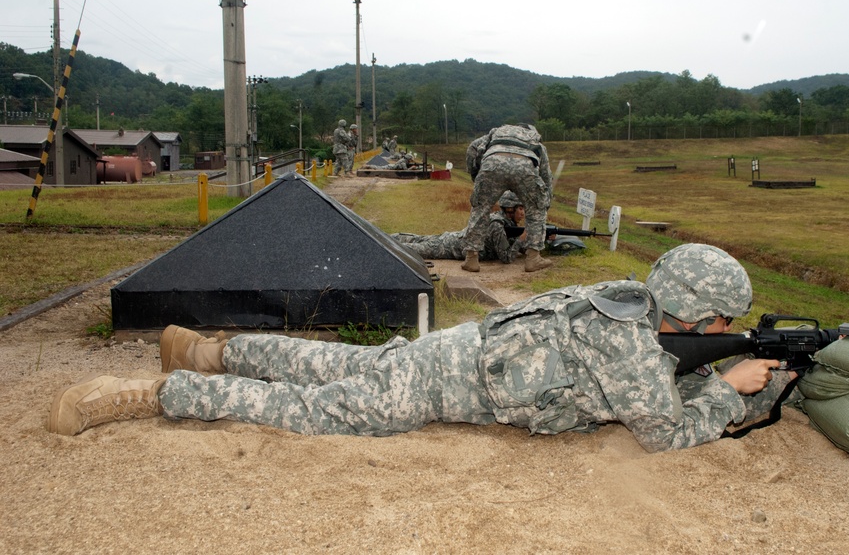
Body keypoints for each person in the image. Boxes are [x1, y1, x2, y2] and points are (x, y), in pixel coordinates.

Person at [48, 243, 791, 452]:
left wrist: (714, 370)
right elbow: (662, 432)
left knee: (329, 360)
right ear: (694, 314)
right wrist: (731, 389)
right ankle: (157, 395)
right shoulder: (634, 350)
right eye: (723, 323)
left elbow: (654, 374)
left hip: (443, 351)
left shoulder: (623, 295)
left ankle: (204, 350)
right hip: (432, 390)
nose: (725, 334)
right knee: (315, 412)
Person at [463, 124, 552, 273]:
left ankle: (471, 259)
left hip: (492, 163)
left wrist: (475, 173)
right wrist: (546, 200)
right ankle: (533, 258)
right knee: (536, 210)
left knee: (480, 209)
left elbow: (472, 148)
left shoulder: (498, 132)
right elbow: (546, 174)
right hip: (524, 166)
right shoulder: (534, 139)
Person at [391, 190, 527, 263]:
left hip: (454, 239)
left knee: (417, 240)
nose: (523, 212)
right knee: (411, 249)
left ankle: (384, 238)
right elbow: (506, 257)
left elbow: (511, 246)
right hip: (451, 247)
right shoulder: (497, 224)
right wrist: (522, 239)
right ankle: (381, 243)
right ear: (510, 208)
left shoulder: (505, 222)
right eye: (520, 208)